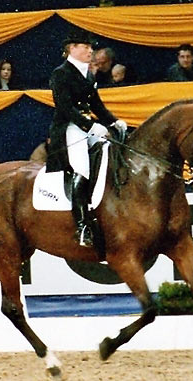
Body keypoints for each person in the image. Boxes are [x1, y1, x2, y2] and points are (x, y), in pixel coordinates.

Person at [47, 28, 127, 247]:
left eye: (91, 47)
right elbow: (65, 108)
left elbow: (96, 105)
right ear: (72, 48)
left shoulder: (89, 74)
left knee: (111, 150)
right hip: (69, 128)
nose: (90, 51)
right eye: (86, 47)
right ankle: (82, 226)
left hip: (86, 127)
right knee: (82, 168)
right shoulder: (60, 73)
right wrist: (91, 126)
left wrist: (114, 122)